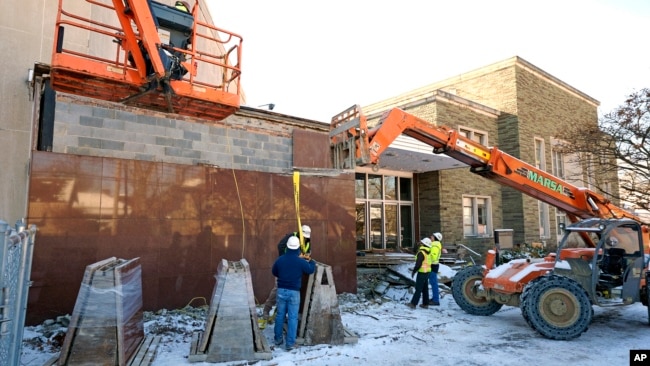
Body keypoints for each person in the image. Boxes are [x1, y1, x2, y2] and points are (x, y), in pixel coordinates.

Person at [259, 225, 311, 328]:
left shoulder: (307, 240)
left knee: (289, 295)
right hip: (286, 268)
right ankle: (266, 311)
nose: (305, 238)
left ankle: (283, 316)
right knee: (276, 290)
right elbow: (280, 247)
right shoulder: (291, 238)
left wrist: (306, 257)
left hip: (296, 268)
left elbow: (308, 251)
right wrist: (289, 258)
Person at [272, 236, 316, 350]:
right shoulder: (300, 261)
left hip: (281, 290)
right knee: (292, 317)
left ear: (287, 247)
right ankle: (290, 343)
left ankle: (278, 339)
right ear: (297, 248)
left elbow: (274, 272)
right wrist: (312, 261)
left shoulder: (280, 259)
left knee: (280, 315)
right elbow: (310, 269)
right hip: (294, 292)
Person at [407, 238, 432, 309]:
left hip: (421, 273)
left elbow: (418, 264)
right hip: (427, 272)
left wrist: (414, 271)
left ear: (424, 244)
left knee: (418, 288)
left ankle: (413, 303)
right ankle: (425, 304)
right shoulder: (429, 252)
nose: (420, 243)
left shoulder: (421, 253)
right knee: (425, 288)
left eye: (422, 243)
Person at [428, 232, 444, 306]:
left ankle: (435, 300)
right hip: (434, 265)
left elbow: (433, 257)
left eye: (432, 236)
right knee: (433, 283)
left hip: (432, 266)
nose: (431, 237)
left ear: (436, 238)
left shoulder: (434, 246)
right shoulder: (435, 245)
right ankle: (434, 299)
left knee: (434, 283)